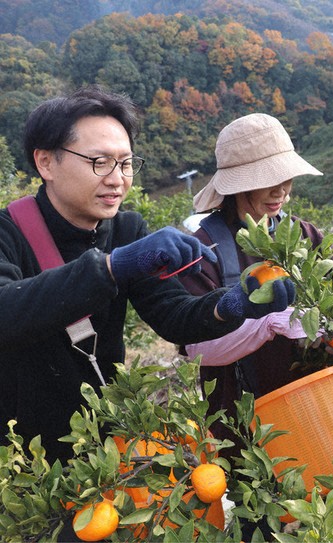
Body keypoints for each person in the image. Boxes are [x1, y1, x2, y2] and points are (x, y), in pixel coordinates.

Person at [0, 87, 294, 467]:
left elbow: (173, 315)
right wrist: (110, 268)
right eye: (100, 162)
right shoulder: (8, 233)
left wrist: (231, 304)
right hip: (20, 457)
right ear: (46, 162)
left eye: (125, 164)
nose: (117, 179)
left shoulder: (125, 230)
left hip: (101, 444)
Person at [180, 113, 333, 457]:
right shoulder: (203, 250)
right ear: (238, 184)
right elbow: (197, 350)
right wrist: (268, 323)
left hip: (318, 408)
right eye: (267, 179)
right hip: (246, 433)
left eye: (285, 177)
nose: (281, 190)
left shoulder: (301, 234)